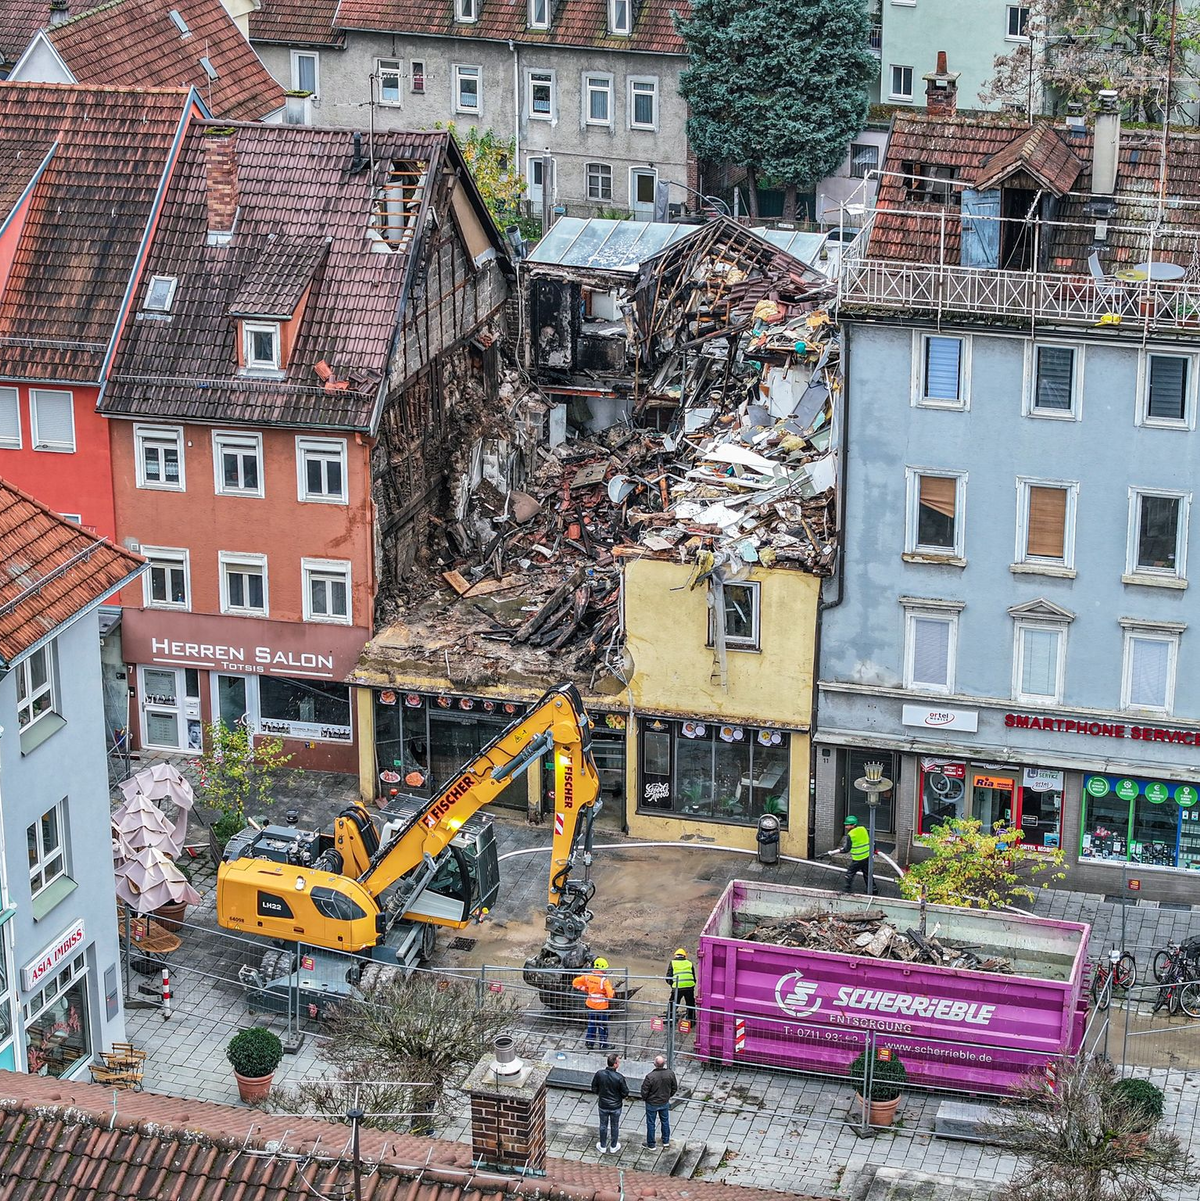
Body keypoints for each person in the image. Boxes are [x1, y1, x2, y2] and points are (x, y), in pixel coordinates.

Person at [573, 956, 615, 1049]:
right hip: (602, 1008)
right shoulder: (604, 981)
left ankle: (589, 1043)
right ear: (602, 969)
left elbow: (575, 983)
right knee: (602, 1026)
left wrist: (586, 989)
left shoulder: (588, 977)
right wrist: (608, 994)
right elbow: (611, 995)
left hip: (591, 1005)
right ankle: (603, 1044)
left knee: (591, 1024)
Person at [826, 815, 876, 894]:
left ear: (853, 825)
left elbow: (846, 849)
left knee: (850, 873)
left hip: (858, 858)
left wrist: (835, 852)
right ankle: (873, 889)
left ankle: (846, 889)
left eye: (847, 825)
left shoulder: (851, 835)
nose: (846, 827)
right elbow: (870, 840)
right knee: (867, 874)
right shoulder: (863, 829)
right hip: (867, 856)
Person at [591, 1051, 629, 1153]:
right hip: (616, 1106)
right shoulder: (619, 1077)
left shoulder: (600, 1074)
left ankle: (603, 1146)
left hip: (603, 1104)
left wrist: (601, 1094)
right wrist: (619, 1098)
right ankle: (613, 1146)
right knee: (615, 1126)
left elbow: (594, 1087)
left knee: (603, 1125)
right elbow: (625, 1092)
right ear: (615, 1064)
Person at [640, 1054, 678, 1149]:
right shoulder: (670, 1074)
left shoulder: (650, 1076)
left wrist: (646, 1099)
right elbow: (674, 1087)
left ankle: (651, 1144)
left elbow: (644, 1091)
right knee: (665, 1121)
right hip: (664, 1101)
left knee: (651, 1123)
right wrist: (668, 1096)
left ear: (655, 1064)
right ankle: (666, 1141)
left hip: (652, 1103)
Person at [665, 948, 697, 1026]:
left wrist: (672, 985)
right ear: (685, 956)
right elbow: (693, 976)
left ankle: (669, 1020)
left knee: (673, 1003)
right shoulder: (689, 963)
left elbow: (668, 977)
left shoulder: (673, 962)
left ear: (675, 956)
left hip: (678, 987)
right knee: (690, 1004)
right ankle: (691, 1021)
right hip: (689, 986)